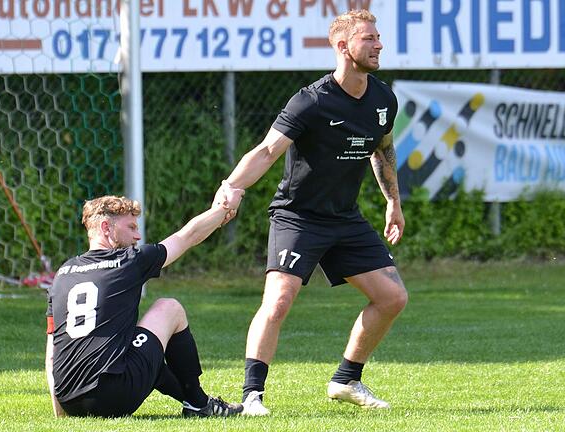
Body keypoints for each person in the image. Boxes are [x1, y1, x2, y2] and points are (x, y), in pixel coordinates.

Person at [215, 10, 407, 415]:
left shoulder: (383, 98)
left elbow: (383, 148)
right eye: (369, 38)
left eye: (378, 37)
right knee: (279, 300)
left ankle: (346, 379)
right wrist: (232, 186)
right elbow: (267, 151)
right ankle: (252, 396)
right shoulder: (311, 100)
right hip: (298, 217)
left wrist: (393, 200)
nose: (379, 45)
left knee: (392, 297)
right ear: (343, 46)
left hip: (345, 218)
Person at [45, 192, 244, 418]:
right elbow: (187, 236)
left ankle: (197, 401)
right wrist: (221, 210)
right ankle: (198, 404)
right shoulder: (129, 260)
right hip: (113, 396)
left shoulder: (62, 275)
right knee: (169, 308)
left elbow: (52, 353)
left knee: (138, 347)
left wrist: (60, 415)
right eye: (131, 227)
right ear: (106, 228)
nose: (138, 236)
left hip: (69, 400)